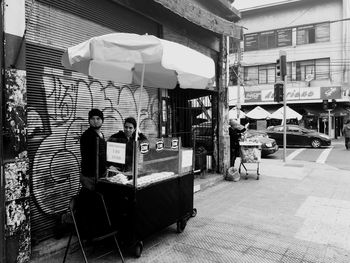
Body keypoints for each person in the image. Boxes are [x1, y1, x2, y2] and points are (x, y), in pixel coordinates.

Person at [80, 108, 107, 191]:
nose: (95, 121)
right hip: (90, 177)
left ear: (102, 120)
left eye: (98, 119)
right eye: (92, 119)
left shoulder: (100, 134)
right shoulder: (87, 135)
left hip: (100, 175)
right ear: (89, 120)